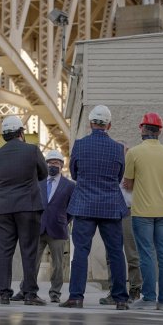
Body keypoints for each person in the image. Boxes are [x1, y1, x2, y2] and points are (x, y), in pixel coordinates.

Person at [59, 105, 130, 310]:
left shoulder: (80, 145)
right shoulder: (118, 148)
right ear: (109, 125)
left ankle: (76, 297)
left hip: (84, 206)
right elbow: (119, 176)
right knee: (116, 252)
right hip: (110, 206)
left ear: (90, 123)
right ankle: (120, 299)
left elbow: (74, 173)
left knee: (80, 251)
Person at [0, 116, 47, 306]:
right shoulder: (31, 150)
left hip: (4, 208)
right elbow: (44, 173)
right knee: (29, 251)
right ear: (21, 133)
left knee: (5, 252)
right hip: (28, 206)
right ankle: (30, 294)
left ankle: (4, 294)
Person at [10, 149, 75, 303]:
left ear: (61, 165)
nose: (53, 165)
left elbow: (71, 209)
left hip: (58, 229)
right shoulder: (37, 182)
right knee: (32, 261)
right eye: (51, 163)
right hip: (37, 228)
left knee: (58, 265)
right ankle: (25, 290)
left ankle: (55, 293)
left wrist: (64, 221)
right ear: (46, 165)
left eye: (56, 163)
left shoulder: (70, 185)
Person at [124, 112, 163, 311]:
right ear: (160, 131)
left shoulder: (134, 153)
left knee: (146, 254)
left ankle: (148, 298)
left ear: (142, 129)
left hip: (142, 210)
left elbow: (127, 185)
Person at [100, 141, 142, 305]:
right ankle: (114, 290)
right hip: (111, 213)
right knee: (111, 255)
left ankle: (135, 289)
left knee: (132, 253)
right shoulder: (110, 168)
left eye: (124, 151)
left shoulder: (135, 169)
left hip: (128, 212)